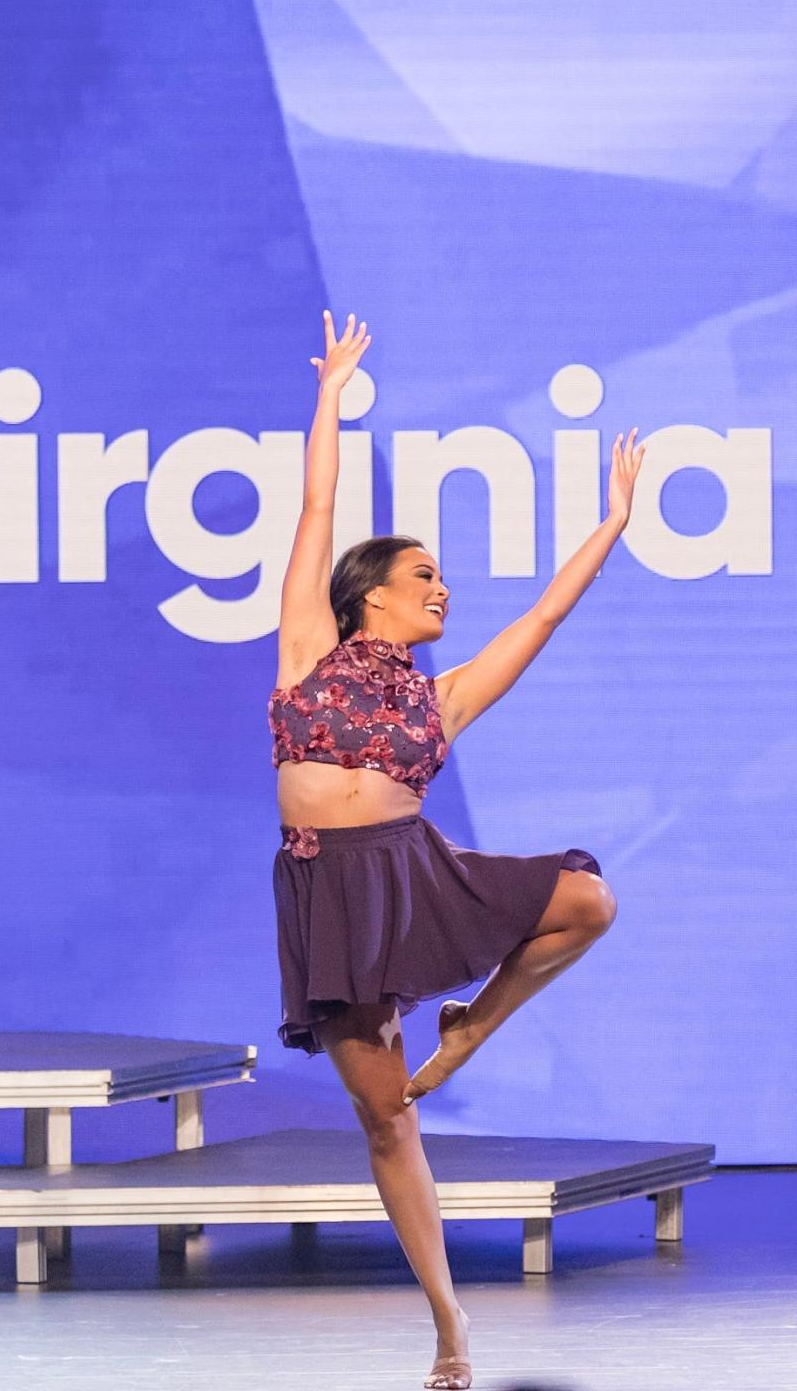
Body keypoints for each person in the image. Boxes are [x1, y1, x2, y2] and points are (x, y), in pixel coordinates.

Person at [267, 310, 645, 1390]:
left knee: (588, 902)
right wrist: (334, 391)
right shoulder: (306, 648)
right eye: (423, 573)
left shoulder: (443, 699)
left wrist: (613, 520)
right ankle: (449, 1326)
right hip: (328, 893)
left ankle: (471, 1024)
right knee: (385, 1116)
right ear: (368, 593)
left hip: (409, 874)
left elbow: (545, 616)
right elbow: (317, 504)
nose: (442, 587)